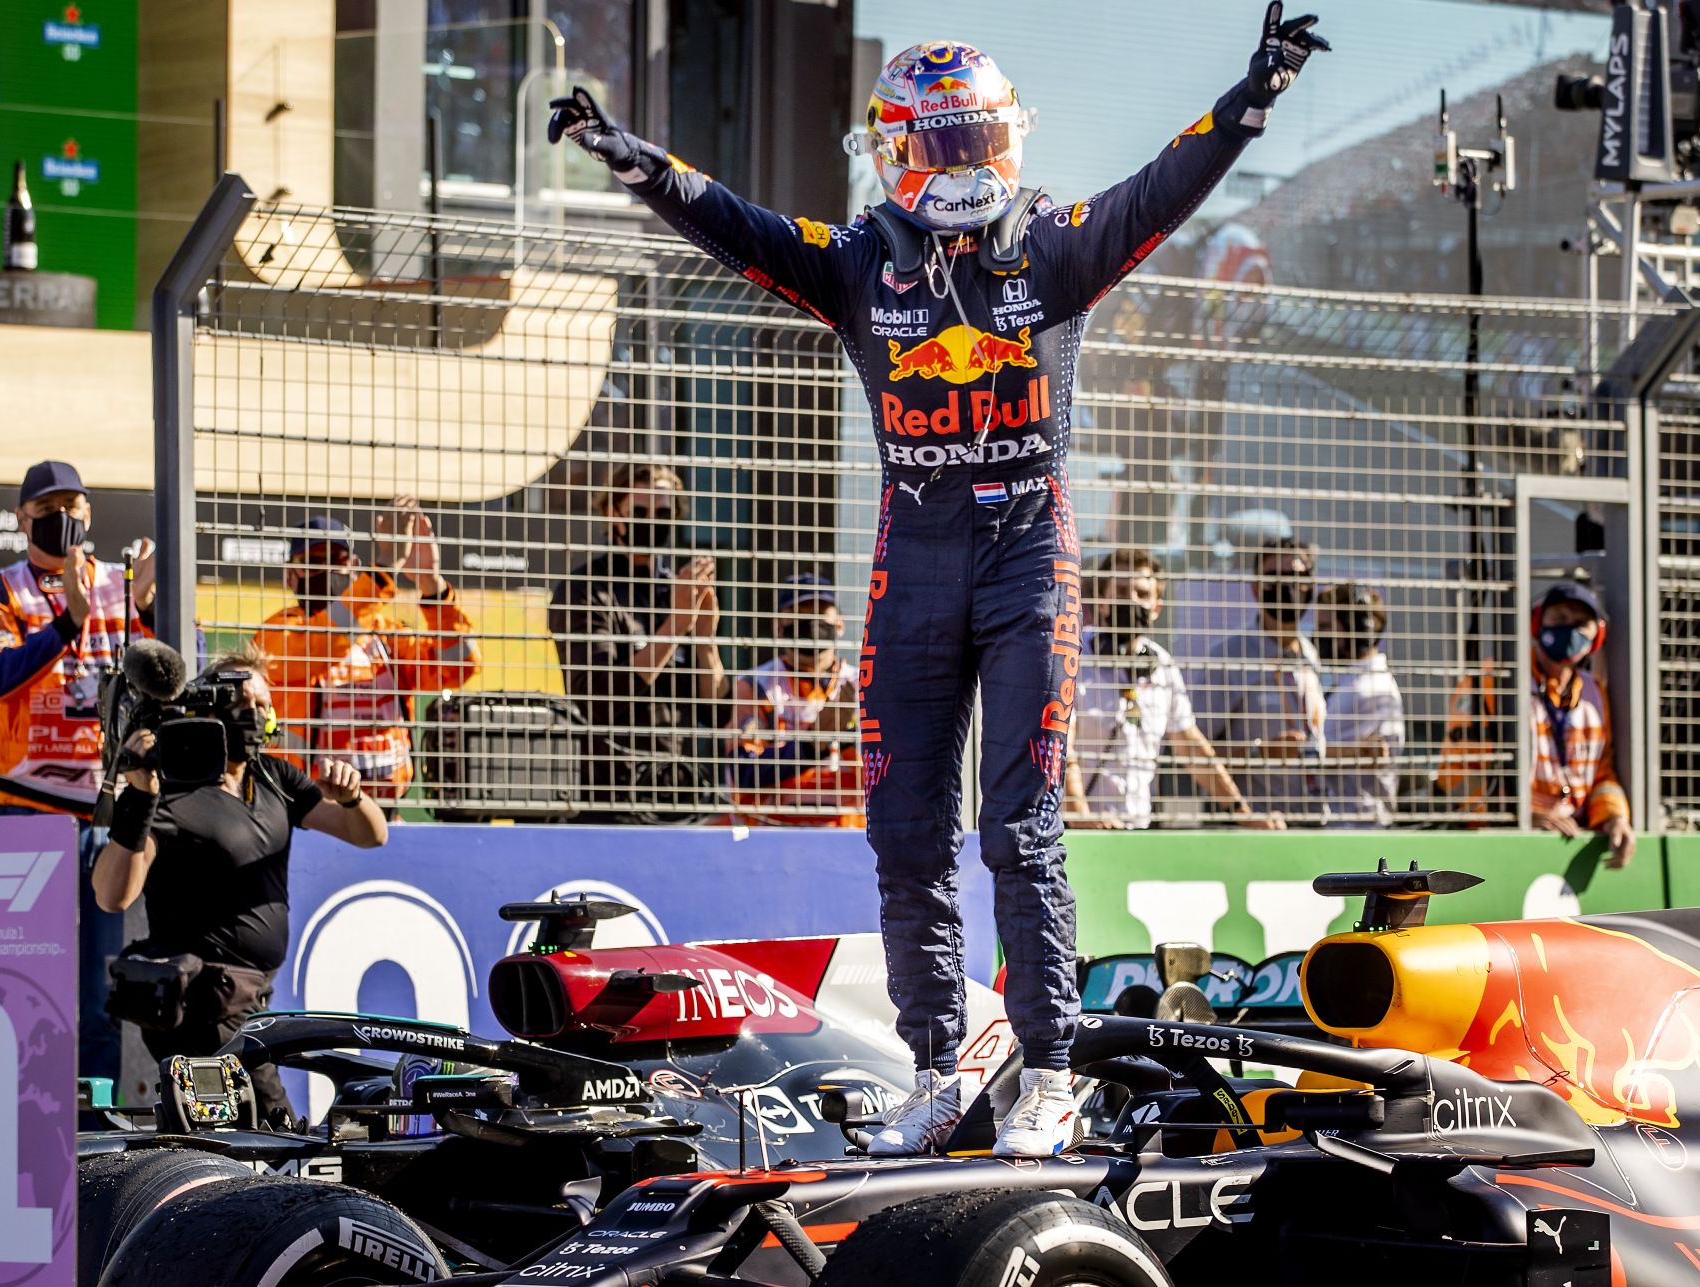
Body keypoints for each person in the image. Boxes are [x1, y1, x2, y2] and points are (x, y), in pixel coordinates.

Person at [550, 5, 1327, 1154]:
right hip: (911, 562)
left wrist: (1251, 97)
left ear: (1006, 138)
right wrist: (636, 162)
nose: (960, 165)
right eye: (941, 143)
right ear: (898, 149)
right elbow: (739, 228)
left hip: (1027, 555)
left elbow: (1159, 193)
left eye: (975, 141)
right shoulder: (860, 261)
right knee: (907, 832)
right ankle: (933, 1075)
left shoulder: (1053, 243)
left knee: (1019, 827)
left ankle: (1049, 1072)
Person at [90, 647, 388, 1120]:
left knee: (242, 1135)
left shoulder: (274, 776)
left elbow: (370, 834)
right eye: (238, 699)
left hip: (253, 1001)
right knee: (271, 1131)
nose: (253, 711)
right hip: (203, 1005)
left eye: (263, 703)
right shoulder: (171, 787)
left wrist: (353, 797)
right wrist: (141, 797)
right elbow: (112, 894)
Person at [0, 460, 155, 1088]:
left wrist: (153, 607)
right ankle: (23, 1118)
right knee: (25, 990)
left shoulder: (122, 586)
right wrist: (67, 621)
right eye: (47, 510)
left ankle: (97, 1127)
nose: (62, 519)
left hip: (103, 813)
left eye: (72, 507)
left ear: (90, 513)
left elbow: (173, 672)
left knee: (102, 993)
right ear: (22, 520)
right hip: (26, 809)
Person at [252, 497, 481, 804]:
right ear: (290, 575)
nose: (327, 568)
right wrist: (384, 569)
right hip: (308, 810)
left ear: (354, 568)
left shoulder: (386, 635)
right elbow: (324, 642)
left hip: (385, 809)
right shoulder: (277, 634)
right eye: (314, 560)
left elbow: (459, 665)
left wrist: (431, 584)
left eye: (338, 559)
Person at [550, 462, 729, 824]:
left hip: (679, 797)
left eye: (662, 513)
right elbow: (598, 697)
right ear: (612, 512)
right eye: (640, 511)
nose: (651, 521)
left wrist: (705, 639)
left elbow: (717, 714)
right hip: (610, 801)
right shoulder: (585, 590)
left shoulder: (676, 590)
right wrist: (676, 625)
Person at [1063, 550, 1282, 830]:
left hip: (1134, 830)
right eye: (1121, 591)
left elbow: (1190, 744)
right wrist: (1081, 816)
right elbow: (1063, 746)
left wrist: (1242, 811)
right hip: (1076, 832)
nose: (1131, 600)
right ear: (1101, 602)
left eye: (1142, 593)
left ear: (1157, 608)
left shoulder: (1162, 666)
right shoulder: (1073, 656)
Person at [1192, 535, 1329, 826]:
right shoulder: (1228, 658)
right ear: (1256, 588)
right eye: (1276, 577)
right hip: (1248, 830)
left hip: (1313, 825)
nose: (1289, 585)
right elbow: (1194, 753)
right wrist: (1259, 752)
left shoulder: (1311, 656)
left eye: (1299, 576)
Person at [728, 574, 862, 827]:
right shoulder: (755, 685)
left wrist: (847, 734)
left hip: (848, 833)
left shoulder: (862, 686)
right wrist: (813, 743)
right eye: (799, 614)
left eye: (820, 613)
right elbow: (742, 771)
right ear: (779, 627)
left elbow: (887, 768)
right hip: (773, 833)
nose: (811, 622)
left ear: (840, 624)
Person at [1527, 582, 1634, 867]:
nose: (1570, 628)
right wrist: (1525, 815)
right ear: (1537, 623)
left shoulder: (1594, 693)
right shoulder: (1497, 681)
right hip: (1513, 836)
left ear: (1597, 635)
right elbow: (1466, 773)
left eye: (1581, 623)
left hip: (1573, 836)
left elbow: (1602, 773)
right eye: (1560, 617)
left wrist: (1615, 818)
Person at [1315, 583, 1405, 827]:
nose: (1318, 635)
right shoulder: (1358, 681)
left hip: (1356, 827)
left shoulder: (1364, 690)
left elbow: (1317, 754)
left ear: (1356, 628)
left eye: (1325, 627)